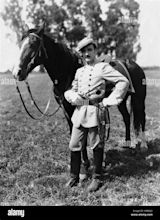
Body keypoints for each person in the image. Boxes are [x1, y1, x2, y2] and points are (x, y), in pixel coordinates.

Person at [64, 37, 129, 192]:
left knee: (96, 145)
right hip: (80, 113)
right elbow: (73, 88)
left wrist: (110, 100)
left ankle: (97, 178)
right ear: (81, 55)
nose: (87, 54)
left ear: (95, 51)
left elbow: (123, 81)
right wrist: (72, 95)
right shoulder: (79, 71)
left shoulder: (102, 67)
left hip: (95, 112)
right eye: (83, 51)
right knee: (74, 144)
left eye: (89, 50)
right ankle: (74, 177)